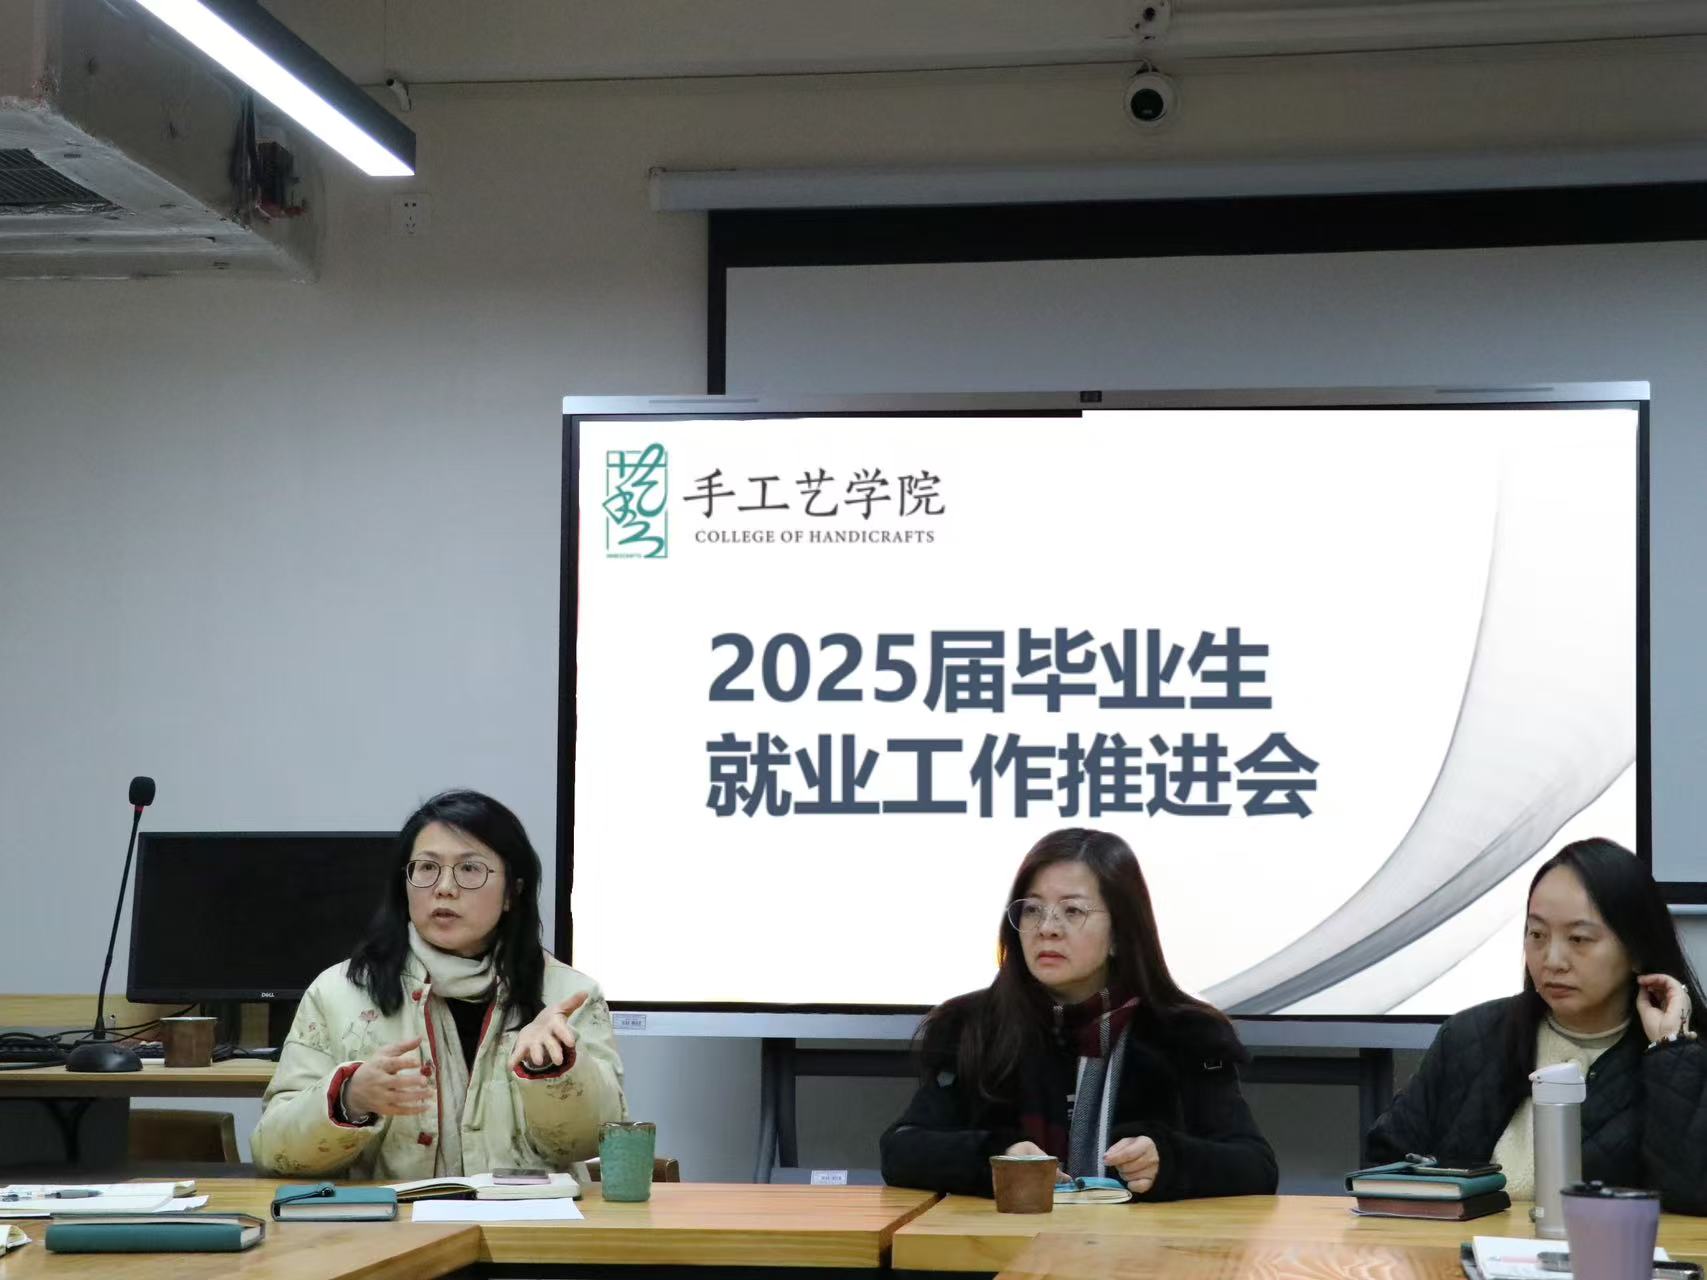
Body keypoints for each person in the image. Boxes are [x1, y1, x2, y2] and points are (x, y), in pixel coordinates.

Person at [879, 828, 1277, 1200]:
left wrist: (1168, 1160)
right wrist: (998, 1158)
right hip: (1001, 1243)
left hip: (1140, 1248)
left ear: (1120, 933)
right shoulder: (971, 1026)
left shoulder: (1186, 1033)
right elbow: (902, 1149)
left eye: (1072, 911)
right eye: (1032, 910)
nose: (1047, 928)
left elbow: (1254, 1165)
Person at [252, 789, 626, 1179]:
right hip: (395, 1218)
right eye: (427, 868)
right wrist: (349, 1098)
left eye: (470, 869)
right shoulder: (339, 993)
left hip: (527, 1216)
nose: (444, 887)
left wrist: (554, 1068)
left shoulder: (568, 997)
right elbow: (272, 1147)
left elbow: (594, 1140)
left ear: (512, 892)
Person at [1367, 837, 1707, 1213]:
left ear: (1636, 949)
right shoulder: (1470, 1037)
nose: (1553, 960)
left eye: (1579, 939)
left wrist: (1670, 1050)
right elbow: (1384, 1165)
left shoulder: (1683, 1057)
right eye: (1537, 935)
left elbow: (1693, 1197)